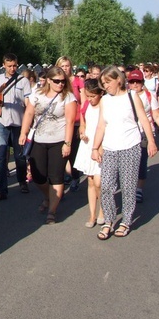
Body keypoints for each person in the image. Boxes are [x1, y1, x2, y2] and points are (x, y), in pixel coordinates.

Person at [91, 66, 157, 240]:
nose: (106, 86)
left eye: (108, 82)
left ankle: (126, 221)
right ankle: (109, 220)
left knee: (128, 187)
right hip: (110, 148)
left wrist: (151, 141)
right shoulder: (105, 100)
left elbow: (143, 118)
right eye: (103, 83)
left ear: (118, 80)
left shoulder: (132, 96)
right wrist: (95, 148)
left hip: (130, 147)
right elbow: (101, 125)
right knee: (106, 187)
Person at [18, 66, 77, 224]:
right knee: (38, 176)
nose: (60, 84)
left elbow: (70, 121)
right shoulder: (37, 94)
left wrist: (67, 143)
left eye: (63, 81)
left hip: (58, 141)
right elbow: (29, 113)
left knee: (56, 176)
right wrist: (23, 133)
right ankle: (48, 196)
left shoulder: (68, 97)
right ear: (48, 81)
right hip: (39, 139)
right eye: (56, 81)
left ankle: (52, 210)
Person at [0, 53, 32, 201]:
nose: (12, 68)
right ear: (3, 65)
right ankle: (1, 190)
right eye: (9, 66)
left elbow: (28, 101)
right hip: (2, 122)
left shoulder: (23, 81)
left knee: (19, 155)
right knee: (0, 156)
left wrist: (26, 108)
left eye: (14, 66)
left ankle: (22, 181)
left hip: (18, 122)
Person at [126, 69, 159, 203]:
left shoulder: (148, 96)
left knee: (141, 162)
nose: (134, 84)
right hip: (128, 133)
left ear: (142, 82)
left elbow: (157, 115)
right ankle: (129, 187)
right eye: (131, 82)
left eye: (137, 82)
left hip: (144, 133)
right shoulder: (124, 95)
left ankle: (138, 190)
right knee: (129, 163)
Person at [73, 79, 104, 227]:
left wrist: (101, 146)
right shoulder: (86, 105)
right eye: (88, 96)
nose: (90, 99)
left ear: (100, 93)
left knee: (99, 182)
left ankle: (103, 211)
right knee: (91, 181)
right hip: (87, 144)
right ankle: (92, 215)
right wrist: (82, 131)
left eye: (93, 96)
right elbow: (83, 122)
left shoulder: (105, 106)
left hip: (100, 146)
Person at [56, 56, 85, 192]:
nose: (65, 68)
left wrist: (84, 124)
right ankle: (58, 182)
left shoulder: (78, 82)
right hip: (60, 122)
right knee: (59, 154)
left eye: (67, 65)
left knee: (72, 152)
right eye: (62, 66)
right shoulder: (56, 82)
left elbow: (84, 102)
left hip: (76, 122)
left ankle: (74, 177)